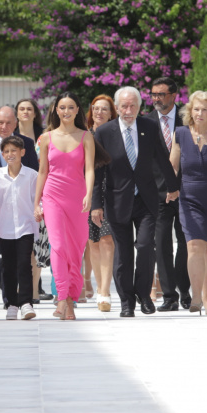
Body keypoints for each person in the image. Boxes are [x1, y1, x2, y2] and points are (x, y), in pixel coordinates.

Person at [92, 86, 178, 317]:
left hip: (146, 200)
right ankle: (126, 301)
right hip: (116, 200)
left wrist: (173, 187)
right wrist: (95, 205)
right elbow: (98, 172)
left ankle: (144, 295)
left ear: (139, 107)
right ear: (117, 108)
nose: (128, 110)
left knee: (145, 247)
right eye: (124, 106)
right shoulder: (104, 132)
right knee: (123, 254)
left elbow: (162, 157)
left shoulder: (150, 127)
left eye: (133, 106)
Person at [168, 91, 207, 315]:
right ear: (189, 111)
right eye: (196, 109)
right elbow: (173, 167)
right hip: (189, 198)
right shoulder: (180, 134)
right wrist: (170, 188)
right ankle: (195, 296)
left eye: (204, 109)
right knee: (194, 246)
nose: (200, 113)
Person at [36, 92, 96, 321]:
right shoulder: (47, 138)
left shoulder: (86, 137)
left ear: (77, 110)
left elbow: (90, 169)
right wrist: (36, 203)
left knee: (76, 249)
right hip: (52, 196)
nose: (66, 111)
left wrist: (89, 194)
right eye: (62, 107)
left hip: (79, 198)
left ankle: (70, 299)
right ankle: (62, 297)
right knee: (58, 245)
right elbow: (43, 172)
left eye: (71, 107)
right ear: (56, 110)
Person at [145, 77, 190, 311]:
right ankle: (169, 296)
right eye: (153, 94)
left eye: (161, 94)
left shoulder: (188, 119)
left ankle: (185, 290)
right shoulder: (147, 122)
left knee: (186, 243)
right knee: (161, 244)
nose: (156, 99)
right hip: (157, 195)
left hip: (185, 192)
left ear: (174, 95)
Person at [0, 105, 39, 309]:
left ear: (16, 124)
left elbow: (34, 178)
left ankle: (21, 301)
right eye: (0, 122)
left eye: (9, 122)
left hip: (22, 216)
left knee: (22, 261)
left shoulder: (26, 143)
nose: (4, 126)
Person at [0, 135, 39, 320]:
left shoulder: (31, 175)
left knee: (24, 265)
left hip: (26, 226)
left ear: (22, 152)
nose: (10, 154)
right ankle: (11, 304)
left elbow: (38, 199)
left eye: (14, 150)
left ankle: (26, 303)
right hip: (5, 228)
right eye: (6, 151)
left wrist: (39, 210)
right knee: (8, 266)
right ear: (2, 154)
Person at [16, 97, 52, 301]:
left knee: (39, 241)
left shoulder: (44, 135)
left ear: (35, 113)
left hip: (42, 191)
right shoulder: (11, 136)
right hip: (18, 192)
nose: (26, 112)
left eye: (29, 109)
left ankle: (35, 288)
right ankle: (23, 286)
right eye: (22, 109)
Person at [86, 94, 116, 312]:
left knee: (107, 240)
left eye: (104, 109)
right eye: (96, 108)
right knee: (93, 242)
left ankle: (105, 290)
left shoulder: (117, 136)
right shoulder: (84, 136)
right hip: (86, 194)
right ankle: (99, 287)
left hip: (111, 194)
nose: (99, 112)